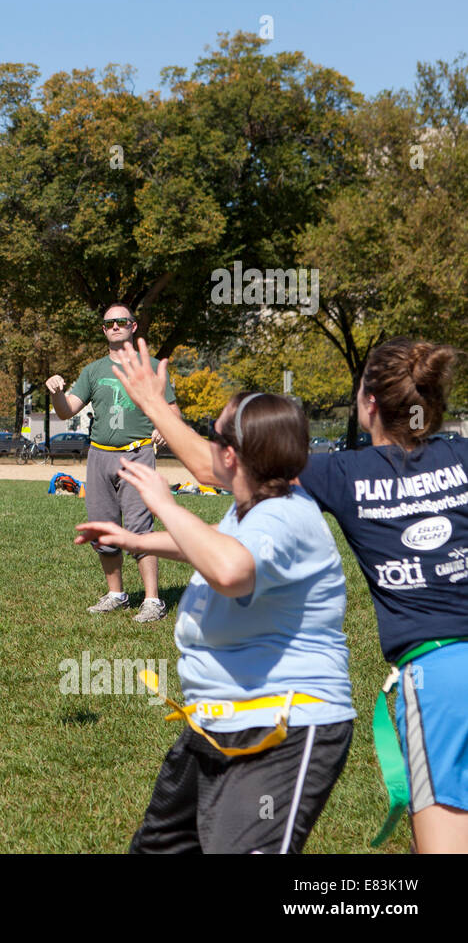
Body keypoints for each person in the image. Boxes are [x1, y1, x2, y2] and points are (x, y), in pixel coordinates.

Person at [117, 337, 468, 852]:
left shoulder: (346, 475)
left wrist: (152, 403)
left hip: (441, 676)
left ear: (368, 403)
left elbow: (220, 468)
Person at [75, 391, 355, 853]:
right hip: (218, 721)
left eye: (213, 436)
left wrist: (163, 504)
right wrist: (133, 536)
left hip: (282, 726)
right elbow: (212, 544)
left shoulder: (285, 516)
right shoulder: (256, 505)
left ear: (230, 454)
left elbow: (229, 570)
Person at [46, 303, 179, 623]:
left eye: (121, 322)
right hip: (99, 455)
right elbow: (66, 412)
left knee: (139, 528)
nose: (115, 327)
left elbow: (173, 412)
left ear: (134, 326)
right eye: (108, 324)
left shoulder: (153, 366)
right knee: (102, 529)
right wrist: (55, 393)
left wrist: (163, 425)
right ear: (103, 330)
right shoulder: (93, 371)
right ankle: (116, 594)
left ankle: (152, 601)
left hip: (137, 454)